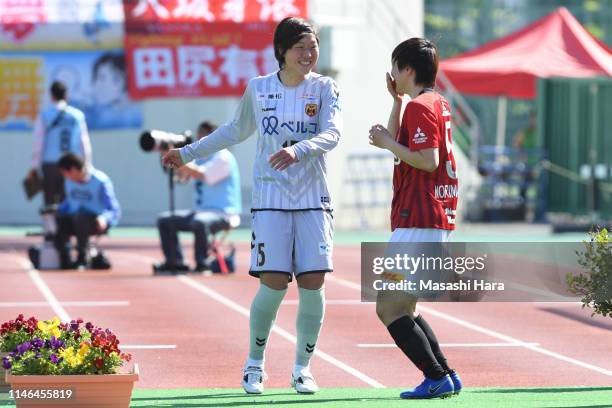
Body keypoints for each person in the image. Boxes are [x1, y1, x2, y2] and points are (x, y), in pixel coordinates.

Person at [162, 17, 341, 395]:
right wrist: (187, 152)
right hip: (270, 201)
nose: (309, 55)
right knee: (273, 284)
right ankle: (254, 364)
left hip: (314, 201)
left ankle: (302, 368)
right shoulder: (258, 89)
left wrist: (298, 149)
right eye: (301, 48)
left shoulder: (325, 88)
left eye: (313, 47)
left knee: (313, 284)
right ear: (282, 52)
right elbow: (234, 131)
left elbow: (332, 133)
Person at [368, 38, 462, 399]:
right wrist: (396, 103)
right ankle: (445, 376)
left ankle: (436, 376)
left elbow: (426, 159)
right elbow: (400, 147)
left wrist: (387, 142)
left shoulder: (421, 106)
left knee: (388, 307)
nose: (392, 74)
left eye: (395, 66)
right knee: (405, 305)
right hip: (432, 218)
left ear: (407, 69)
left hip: (420, 217)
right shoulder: (433, 103)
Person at [153, 121, 242, 273]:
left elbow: (201, 174)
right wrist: (168, 156)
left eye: (204, 135)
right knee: (165, 220)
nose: (200, 139)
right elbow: (182, 177)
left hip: (224, 213)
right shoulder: (200, 158)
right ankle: (175, 261)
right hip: (200, 212)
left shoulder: (223, 157)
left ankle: (203, 263)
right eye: (199, 135)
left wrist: (179, 158)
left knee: (199, 222)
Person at [29, 80, 92, 207]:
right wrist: (87, 164)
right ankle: (67, 227)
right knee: (69, 200)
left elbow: (38, 143)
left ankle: (51, 227)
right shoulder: (77, 115)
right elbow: (84, 142)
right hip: (72, 165)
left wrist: (34, 166)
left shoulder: (44, 115)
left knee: (49, 202)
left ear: (51, 95)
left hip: (50, 163)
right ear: (66, 95)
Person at [54, 153, 120, 269]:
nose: (65, 177)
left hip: (95, 221)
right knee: (58, 219)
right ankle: (64, 258)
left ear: (74, 170)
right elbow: (69, 202)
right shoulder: (68, 181)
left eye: (65, 173)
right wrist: (55, 210)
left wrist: (104, 218)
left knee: (81, 218)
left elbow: (114, 209)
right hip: (74, 218)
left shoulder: (100, 181)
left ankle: (82, 257)